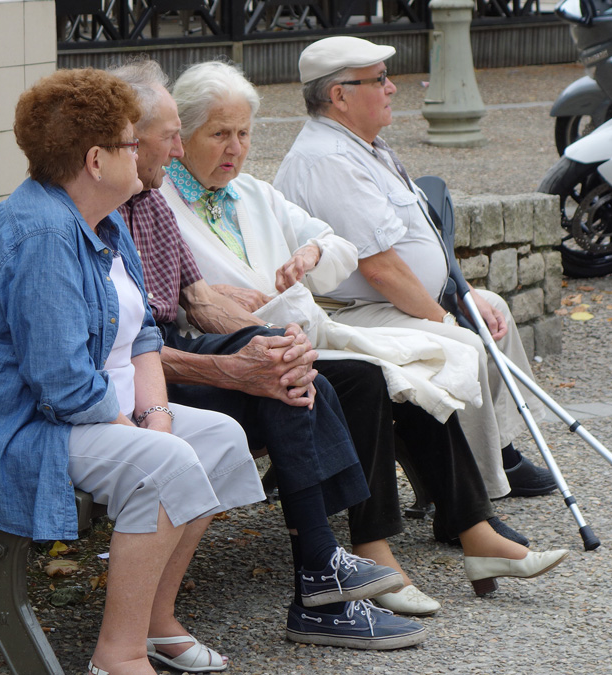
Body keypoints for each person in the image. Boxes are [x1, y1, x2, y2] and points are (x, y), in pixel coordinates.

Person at [114, 58, 568, 613]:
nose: (233, 147)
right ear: (177, 136)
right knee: (368, 379)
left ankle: (473, 528)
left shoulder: (250, 193)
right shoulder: (153, 199)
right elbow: (177, 307)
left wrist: (309, 253)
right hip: (247, 349)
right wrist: (243, 320)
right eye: (218, 134)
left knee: (410, 373)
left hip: (295, 336)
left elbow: (332, 245)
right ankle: (372, 549)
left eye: (243, 134)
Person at [0, 69, 269, 675]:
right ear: (96, 159)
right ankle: (118, 656)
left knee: (216, 439)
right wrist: (140, 434)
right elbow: (61, 383)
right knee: (161, 464)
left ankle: (156, 623)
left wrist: (157, 416)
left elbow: (142, 331)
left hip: (40, 415)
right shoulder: (42, 234)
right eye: (129, 143)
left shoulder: (106, 217)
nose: (141, 152)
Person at [105, 60, 432, 653]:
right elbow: (121, 351)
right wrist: (241, 364)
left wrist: (274, 340)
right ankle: (320, 569)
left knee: (292, 371)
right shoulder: (93, 214)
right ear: (123, 142)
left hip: (162, 362)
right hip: (131, 384)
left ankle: (323, 566)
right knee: (283, 380)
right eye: (172, 136)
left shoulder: (146, 199)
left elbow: (197, 298)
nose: (179, 150)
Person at [273, 36, 558, 501]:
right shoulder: (326, 159)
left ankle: (499, 451)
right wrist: (441, 316)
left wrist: (460, 294)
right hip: (348, 311)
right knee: (463, 340)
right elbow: (381, 269)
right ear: (339, 95)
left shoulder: (364, 145)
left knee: (491, 309)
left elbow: (417, 238)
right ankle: (472, 496)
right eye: (379, 79)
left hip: (388, 301)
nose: (393, 88)